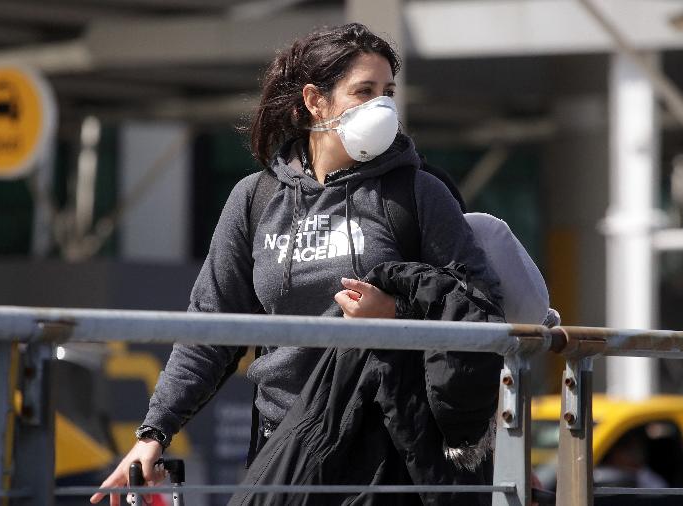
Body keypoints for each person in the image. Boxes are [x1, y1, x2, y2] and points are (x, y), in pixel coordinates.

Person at [91, 22, 501, 506]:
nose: (382, 106)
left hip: (387, 453)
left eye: (388, 92)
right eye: (364, 91)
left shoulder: (417, 192)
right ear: (314, 100)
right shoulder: (255, 198)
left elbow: (480, 306)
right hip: (282, 448)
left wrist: (396, 317)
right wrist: (153, 433)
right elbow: (210, 329)